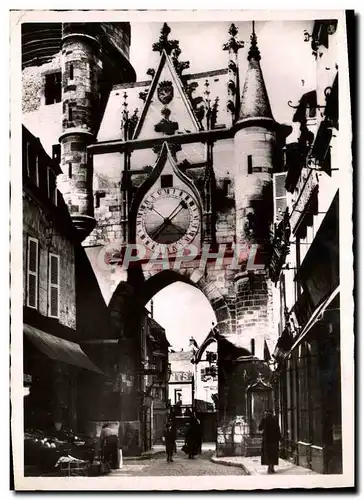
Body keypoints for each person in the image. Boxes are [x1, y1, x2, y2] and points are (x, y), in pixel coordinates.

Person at [258, 409, 281, 474]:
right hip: (274, 440)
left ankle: (269, 467)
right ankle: (272, 467)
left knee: (267, 454)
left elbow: (259, 428)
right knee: (273, 454)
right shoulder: (275, 419)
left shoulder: (264, 419)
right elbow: (278, 430)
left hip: (266, 440)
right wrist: (279, 438)